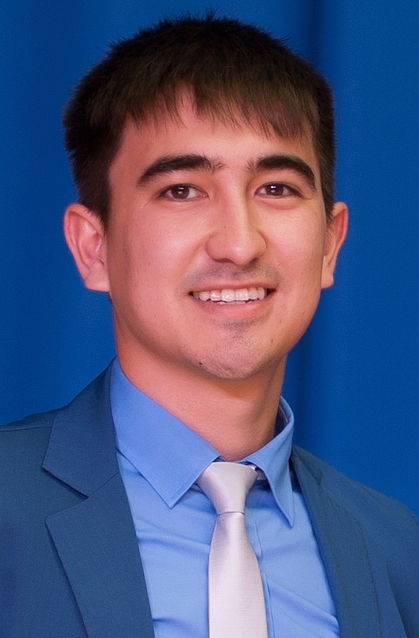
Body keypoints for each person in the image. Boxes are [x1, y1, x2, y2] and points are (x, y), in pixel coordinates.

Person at [1, 14, 418, 638]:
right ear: (93, 248)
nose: (240, 244)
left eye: (276, 188)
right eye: (182, 191)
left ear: (330, 246)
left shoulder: (396, 551)